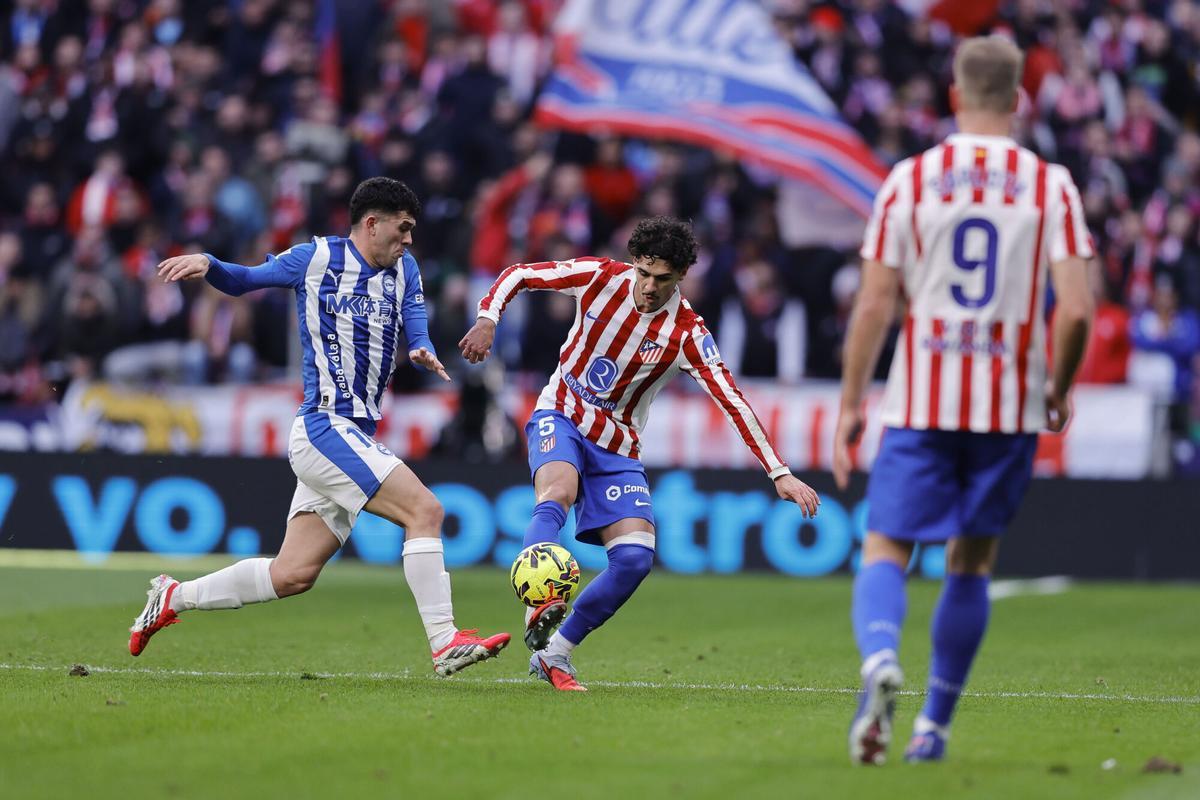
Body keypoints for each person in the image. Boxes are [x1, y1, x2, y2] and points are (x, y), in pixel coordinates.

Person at [128, 177, 510, 676]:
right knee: (426, 510)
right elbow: (247, 279)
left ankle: (174, 597)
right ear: (372, 224)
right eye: (404, 228)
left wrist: (420, 347)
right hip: (324, 427)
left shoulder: (405, 269)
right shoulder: (316, 258)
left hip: (354, 434)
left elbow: (415, 315)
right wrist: (210, 264)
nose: (410, 240)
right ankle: (444, 642)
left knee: (292, 574)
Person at [833, 36, 1094, 764]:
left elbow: (874, 305)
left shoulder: (909, 181)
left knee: (886, 543)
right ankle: (933, 728)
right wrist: (1059, 387)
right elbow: (1075, 310)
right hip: (1006, 409)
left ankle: (880, 660)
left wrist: (853, 403)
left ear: (954, 96)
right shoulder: (1052, 185)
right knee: (971, 562)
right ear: (1017, 101)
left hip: (921, 401)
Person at [459, 216, 820, 691]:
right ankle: (538, 595)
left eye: (663, 279)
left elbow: (732, 400)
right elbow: (520, 274)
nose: (649, 287)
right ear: (633, 263)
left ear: (682, 277)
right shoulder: (598, 277)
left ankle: (555, 653)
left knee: (634, 560)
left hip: (618, 445)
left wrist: (779, 472)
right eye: (643, 273)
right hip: (561, 414)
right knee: (558, 492)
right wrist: (488, 317)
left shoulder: (687, 333)